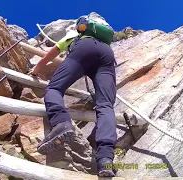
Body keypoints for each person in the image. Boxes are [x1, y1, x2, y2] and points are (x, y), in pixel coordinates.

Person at [28, 16, 117, 177]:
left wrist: (35, 71)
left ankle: (62, 123)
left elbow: (50, 55)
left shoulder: (74, 35)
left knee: (54, 89)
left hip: (84, 49)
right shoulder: (103, 41)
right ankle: (105, 159)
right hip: (107, 55)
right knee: (105, 106)